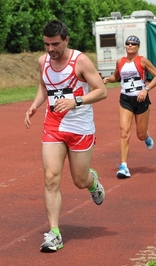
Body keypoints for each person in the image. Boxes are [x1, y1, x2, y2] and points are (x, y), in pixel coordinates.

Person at [24, 20, 107, 252]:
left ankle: (92, 182)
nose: (51, 49)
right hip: (52, 126)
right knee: (51, 177)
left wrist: (75, 101)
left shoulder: (80, 61)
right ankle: (54, 233)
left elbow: (102, 91)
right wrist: (34, 106)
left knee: (79, 180)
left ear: (67, 40)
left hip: (80, 128)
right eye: (46, 44)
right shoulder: (43, 61)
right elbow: (44, 86)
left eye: (55, 44)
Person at [102, 35, 156, 179]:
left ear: (138, 47)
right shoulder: (120, 62)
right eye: (128, 44)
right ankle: (124, 166)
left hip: (141, 99)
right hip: (125, 100)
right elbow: (116, 77)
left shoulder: (142, 61)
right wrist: (108, 79)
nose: (130, 46)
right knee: (124, 132)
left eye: (133, 44)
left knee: (140, 135)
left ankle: (146, 137)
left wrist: (145, 90)